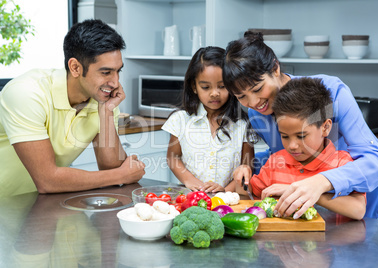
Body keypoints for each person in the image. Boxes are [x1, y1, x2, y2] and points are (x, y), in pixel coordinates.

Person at [223, 31, 378, 221]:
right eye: (241, 97)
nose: (254, 102)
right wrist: (247, 165)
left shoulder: (332, 93)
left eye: (258, 89)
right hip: (323, 210)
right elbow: (282, 153)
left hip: (368, 203)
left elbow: (376, 161)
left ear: (275, 68)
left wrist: (323, 181)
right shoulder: (257, 113)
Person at [0, 19, 145, 197]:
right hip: (5, 203)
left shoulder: (102, 99)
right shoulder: (26, 93)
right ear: (75, 67)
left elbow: (112, 169)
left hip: (41, 204)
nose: (115, 83)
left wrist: (106, 113)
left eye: (118, 71)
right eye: (106, 72)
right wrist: (120, 175)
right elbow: (47, 180)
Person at [236, 77, 366, 220]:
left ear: (325, 127)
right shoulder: (275, 163)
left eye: (301, 136)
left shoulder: (342, 163)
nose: (292, 145)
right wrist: (241, 180)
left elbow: (358, 210)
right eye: (284, 136)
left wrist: (308, 194)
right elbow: (249, 200)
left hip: (331, 240)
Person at [162, 46, 256, 193]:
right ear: (194, 86)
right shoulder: (180, 120)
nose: (214, 93)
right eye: (206, 87)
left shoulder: (242, 125)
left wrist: (224, 190)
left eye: (222, 86)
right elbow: (173, 157)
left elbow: (247, 168)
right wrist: (193, 182)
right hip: (191, 197)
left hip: (228, 199)